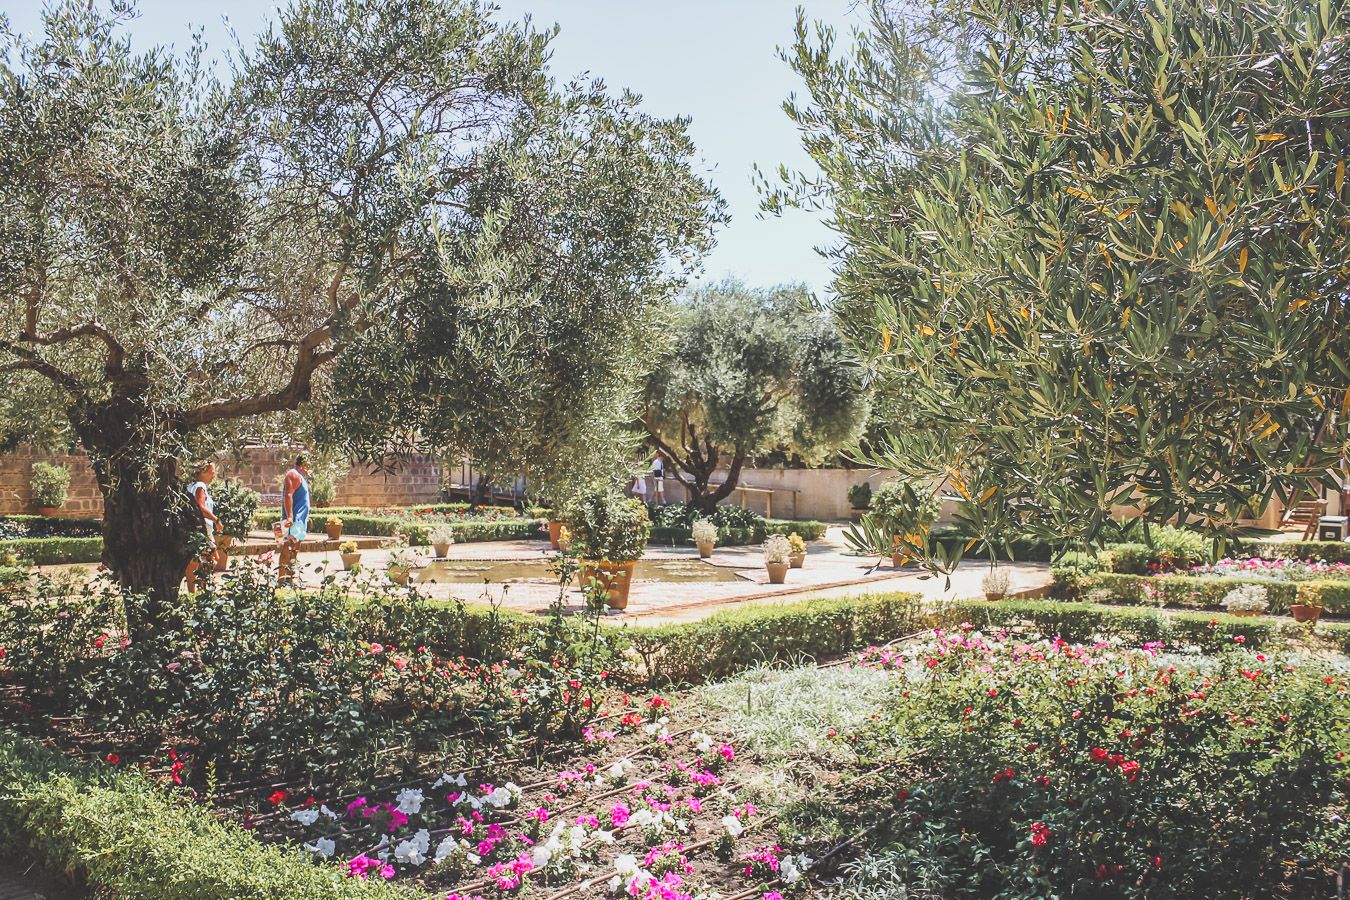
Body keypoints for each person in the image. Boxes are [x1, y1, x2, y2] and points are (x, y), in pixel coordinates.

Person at [184, 462, 224, 592]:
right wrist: (216, 520)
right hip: (203, 529)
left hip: (193, 528)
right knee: (211, 559)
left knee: (194, 562)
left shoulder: (191, 485)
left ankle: (193, 592)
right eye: (212, 473)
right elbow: (200, 507)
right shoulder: (200, 486)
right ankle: (203, 590)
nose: (214, 476)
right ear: (203, 472)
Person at [278, 454, 311, 584]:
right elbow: (288, 495)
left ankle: (289, 581)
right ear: (304, 465)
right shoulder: (293, 474)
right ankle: (281, 581)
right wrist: (290, 517)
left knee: (294, 552)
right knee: (287, 550)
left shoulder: (300, 476)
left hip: (299, 522)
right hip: (293, 521)